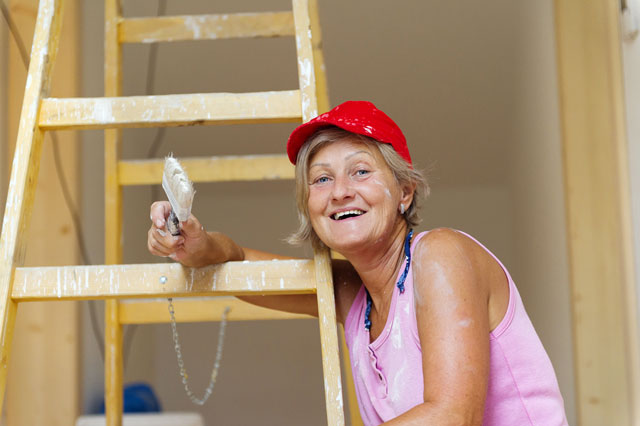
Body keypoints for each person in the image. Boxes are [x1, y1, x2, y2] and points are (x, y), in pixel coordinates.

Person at [147, 101, 568, 425]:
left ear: (404, 192)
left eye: (361, 172)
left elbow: (452, 417)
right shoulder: (355, 297)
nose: (340, 191)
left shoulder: (441, 255)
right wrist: (196, 246)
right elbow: (236, 261)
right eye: (322, 179)